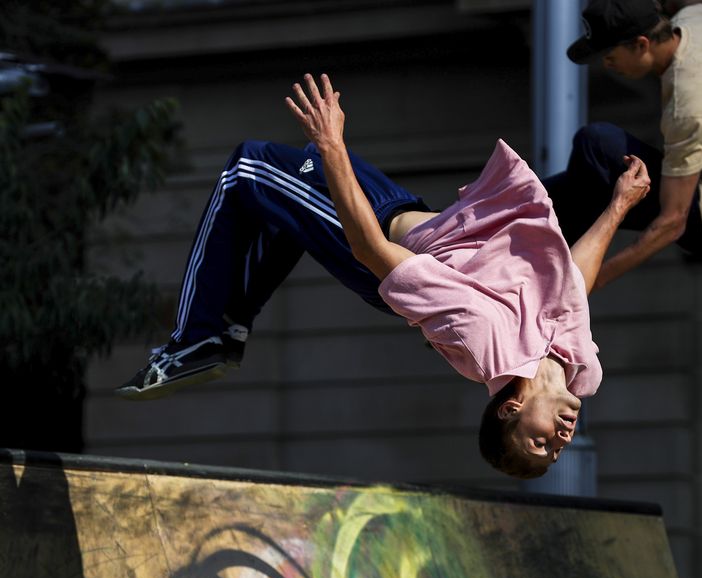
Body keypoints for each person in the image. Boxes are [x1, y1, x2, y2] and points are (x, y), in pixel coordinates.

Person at [116, 74, 651, 478]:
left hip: (373, 236)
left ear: (511, 410)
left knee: (247, 169)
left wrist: (335, 146)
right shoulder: (581, 369)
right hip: (407, 209)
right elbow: (572, 282)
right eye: (555, 451)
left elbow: (371, 250)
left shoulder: (483, 337)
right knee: (292, 193)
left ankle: (195, 338)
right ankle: (229, 329)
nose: (560, 441)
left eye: (540, 443)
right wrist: (618, 208)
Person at [544, 0, 702, 288]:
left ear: (641, 44)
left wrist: (588, 284)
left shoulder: (688, 105)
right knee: (560, 192)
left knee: (595, 144)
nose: (606, 65)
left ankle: (561, 275)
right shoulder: (701, 18)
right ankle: (537, 234)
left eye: (610, 55)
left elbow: (673, 222)